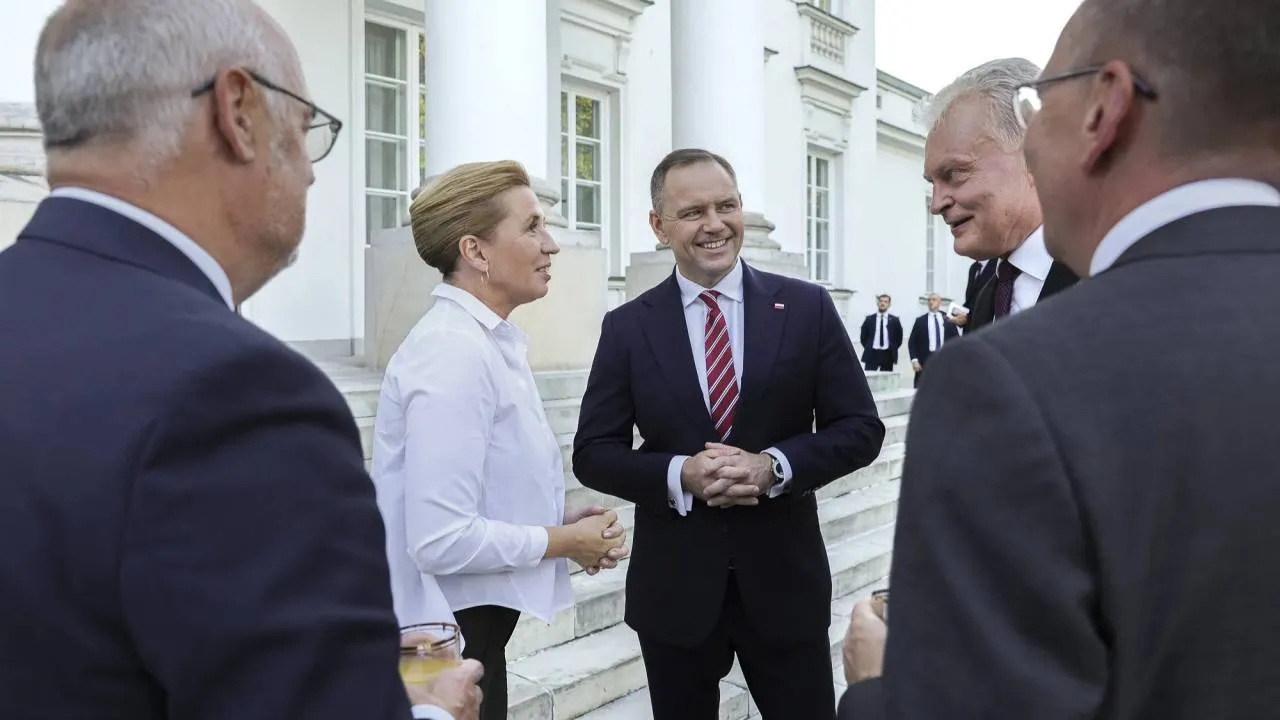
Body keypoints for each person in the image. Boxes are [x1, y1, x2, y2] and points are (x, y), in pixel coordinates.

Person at [0, 1, 480, 718]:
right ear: (239, 111)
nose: (311, 173)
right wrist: (435, 712)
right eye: (306, 127)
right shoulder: (239, 393)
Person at [840, 0, 1280, 717]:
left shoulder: (1006, 377)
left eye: (1043, 102)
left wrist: (877, 690)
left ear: (1105, 108)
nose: (937, 202)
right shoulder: (993, 291)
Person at [573, 148, 886, 719]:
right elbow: (593, 453)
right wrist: (680, 474)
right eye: (693, 212)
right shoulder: (627, 327)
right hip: (675, 595)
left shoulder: (807, 308)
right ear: (659, 226)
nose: (715, 224)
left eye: (727, 206)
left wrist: (774, 467)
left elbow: (861, 428)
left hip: (785, 586)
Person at [373, 159, 629, 720]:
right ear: (475, 251)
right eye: (532, 226)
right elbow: (440, 538)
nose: (552, 244)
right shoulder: (453, 351)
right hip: (445, 647)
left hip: (469, 636)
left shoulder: (482, 341)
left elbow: (472, 490)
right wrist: (562, 541)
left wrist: (560, 520)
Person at [923, 58, 1078, 333]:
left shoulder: (1114, 276)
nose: (936, 205)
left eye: (954, 173)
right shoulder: (985, 302)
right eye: (932, 183)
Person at [906, 293, 958, 387]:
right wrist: (914, 360)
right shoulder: (920, 321)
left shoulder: (948, 319)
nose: (931, 302)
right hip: (925, 360)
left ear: (940, 303)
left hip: (944, 358)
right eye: (929, 300)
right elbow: (912, 342)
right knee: (922, 387)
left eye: (934, 300)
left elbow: (956, 340)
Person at [858, 294, 903, 372]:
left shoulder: (895, 320)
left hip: (887, 354)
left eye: (885, 302)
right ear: (878, 303)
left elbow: (899, 338)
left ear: (889, 304)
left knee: (886, 377)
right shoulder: (869, 319)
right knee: (869, 377)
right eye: (881, 301)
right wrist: (869, 346)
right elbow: (863, 337)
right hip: (872, 353)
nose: (883, 303)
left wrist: (892, 347)